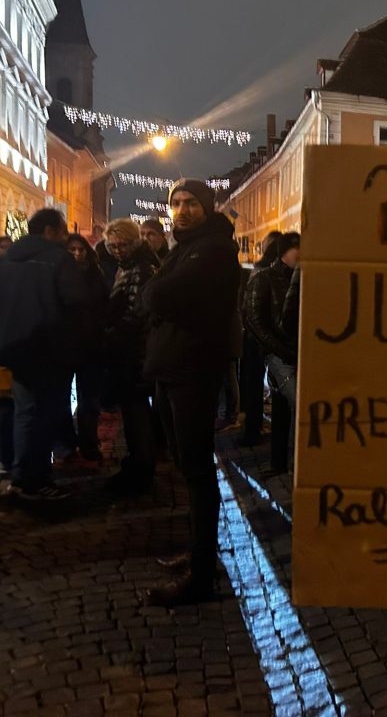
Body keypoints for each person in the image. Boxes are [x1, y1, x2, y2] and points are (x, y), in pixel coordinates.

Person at [143, 179, 239, 606]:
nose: (181, 210)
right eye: (176, 203)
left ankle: (201, 575)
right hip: (172, 369)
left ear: (207, 207)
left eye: (191, 204)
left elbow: (160, 294)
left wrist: (154, 292)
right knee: (187, 467)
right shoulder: (187, 247)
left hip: (193, 371)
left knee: (198, 472)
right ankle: (200, 550)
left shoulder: (213, 248)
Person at [0, 209, 87, 501]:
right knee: (45, 414)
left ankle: (22, 475)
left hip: (14, 347)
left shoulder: (6, 260)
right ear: (49, 231)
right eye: (62, 231)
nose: (66, 236)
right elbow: (76, 301)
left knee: (25, 412)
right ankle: (36, 479)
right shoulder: (58, 259)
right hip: (49, 348)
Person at [102, 219, 161, 494]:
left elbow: (137, 313)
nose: (118, 250)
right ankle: (138, 462)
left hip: (136, 351)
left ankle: (141, 467)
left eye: (122, 245)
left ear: (134, 242)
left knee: (136, 411)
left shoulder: (140, 268)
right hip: (132, 349)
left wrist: (111, 333)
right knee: (134, 410)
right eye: (113, 246)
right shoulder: (130, 265)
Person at [244, 232, 300, 473]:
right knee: (298, 404)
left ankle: (282, 463)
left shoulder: (301, 277)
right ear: (286, 251)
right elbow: (255, 319)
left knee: (282, 410)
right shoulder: (264, 277)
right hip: (279, 354)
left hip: (296, 352)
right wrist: (278, 350)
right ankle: (295, 466)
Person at [51, 234, 108, 466]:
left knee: (90, 400)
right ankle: (65, 446)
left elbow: (104, 305)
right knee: (61, 399)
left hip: (91, 345)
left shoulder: (96, 274)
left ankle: (89, 443)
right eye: (71, 249)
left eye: (80, 249)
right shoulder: (56, 274)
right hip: (63, 344)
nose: (76, 253)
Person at [238, 230, 283, 447]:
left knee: (253, 384)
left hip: (255, 338)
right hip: (271, 338)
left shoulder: (259, 271)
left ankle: (253, 429)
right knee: (276, 386)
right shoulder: (278, 273)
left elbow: (248, 308)